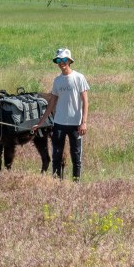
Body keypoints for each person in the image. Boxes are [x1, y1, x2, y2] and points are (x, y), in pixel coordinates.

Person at [33, 47, 90, 180]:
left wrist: (84, 122)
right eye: (59, 60)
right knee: (56, 156)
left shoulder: (79, 78)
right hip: (59, 123)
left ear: (69, 61)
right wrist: (40, 123)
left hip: (76, 124)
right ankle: (57, 183)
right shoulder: (57, 81)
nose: (61, 63)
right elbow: (52, 103)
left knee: (76, 156)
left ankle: (76, 183)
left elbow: (85, 102)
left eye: (64, 59)